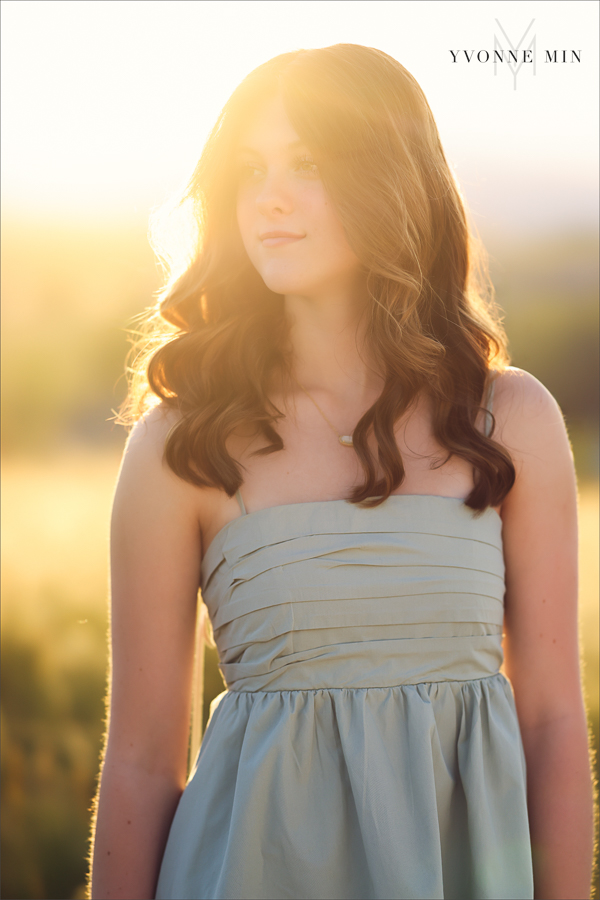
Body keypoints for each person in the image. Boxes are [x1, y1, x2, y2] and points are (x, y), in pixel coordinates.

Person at [89, 44, 595, 900]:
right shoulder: (182, 446)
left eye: (309, 164)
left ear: (391, 181)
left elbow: (551, 723)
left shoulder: (512, 421)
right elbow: (140, 763)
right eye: (250, 170)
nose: (268, 198)